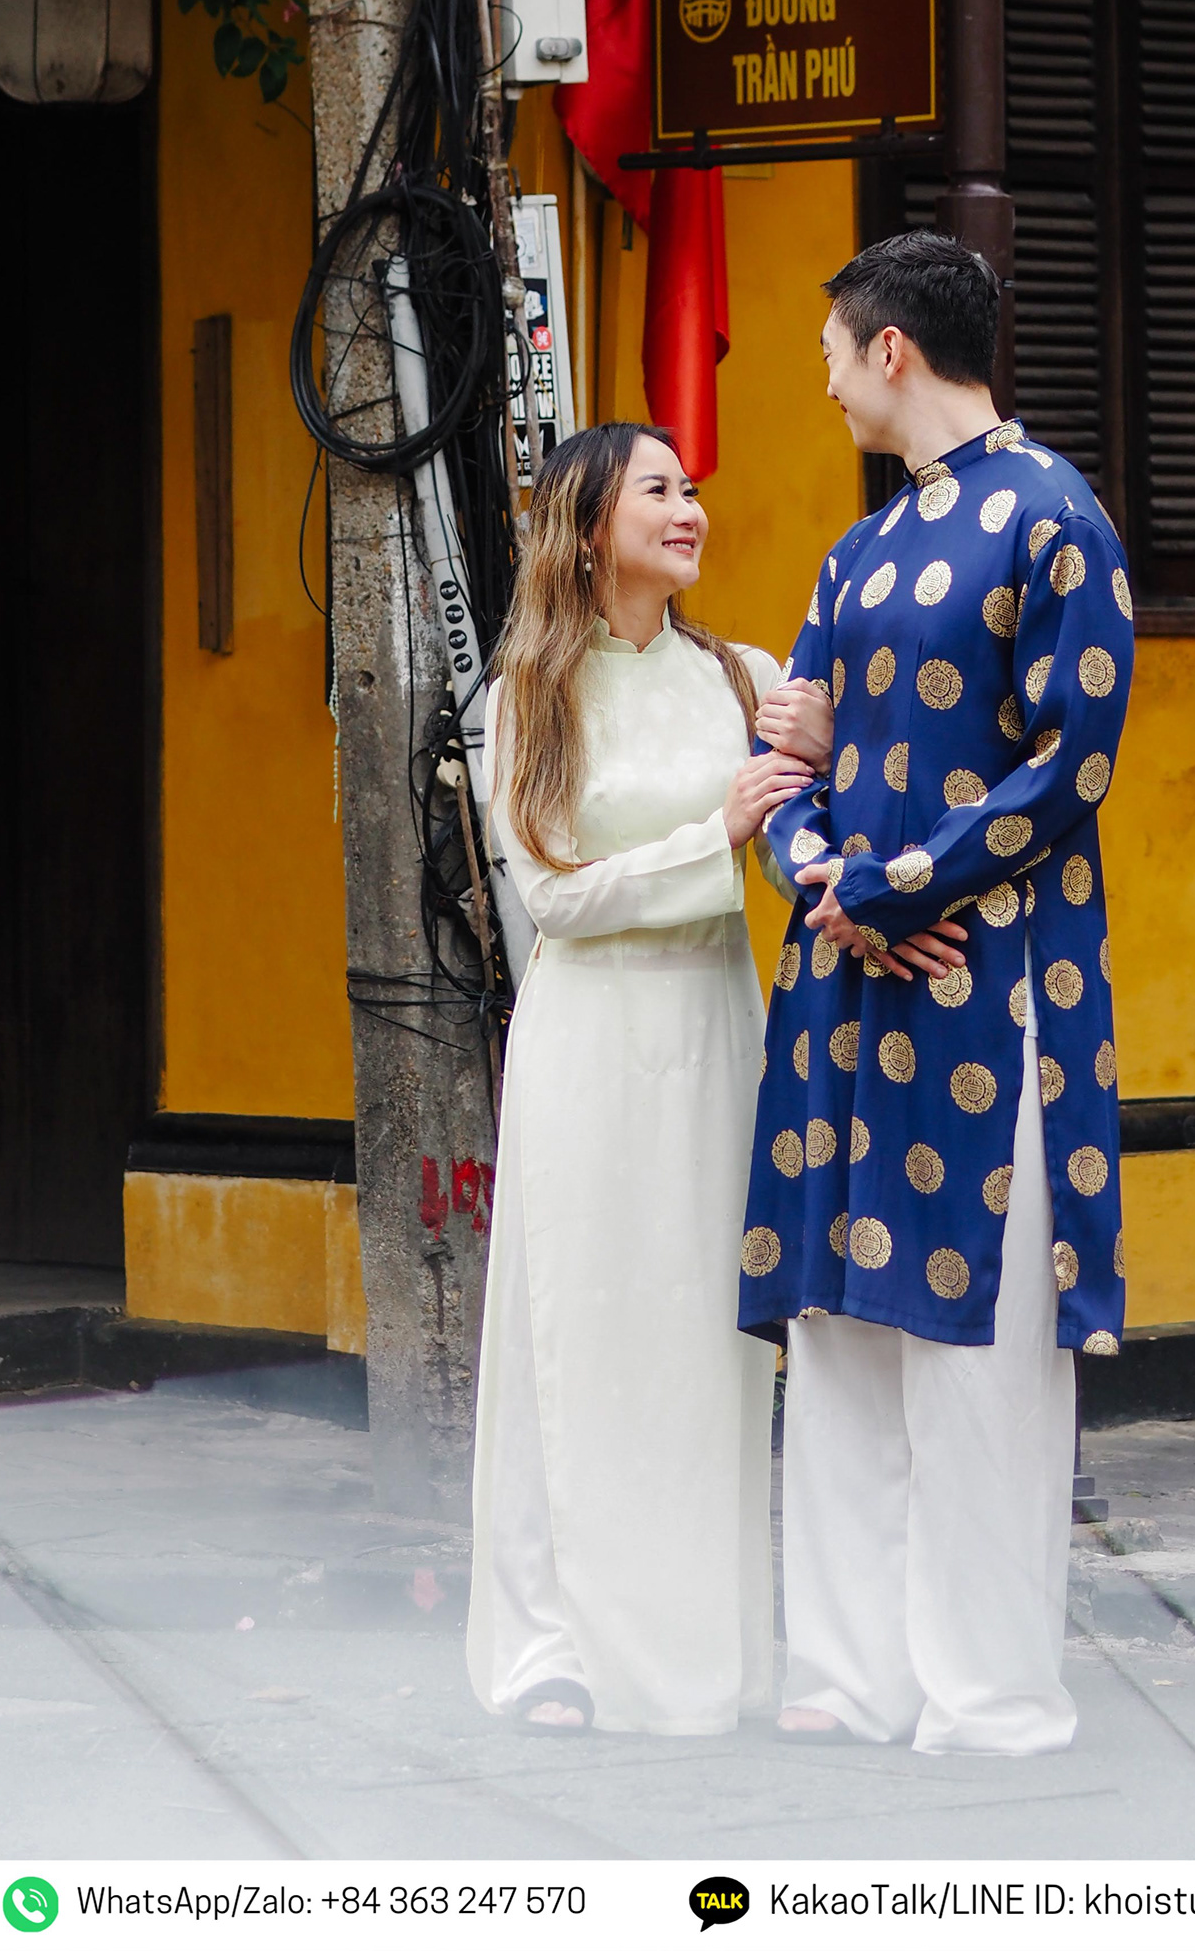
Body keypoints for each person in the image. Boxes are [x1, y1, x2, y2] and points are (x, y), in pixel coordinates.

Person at [748, 230, 1134, 1756]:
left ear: (891, 349)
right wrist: (821, 877)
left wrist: (893, 887)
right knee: (840, 1334)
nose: (829, 384)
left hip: (993, 991)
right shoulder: (855, 554)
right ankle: (848, 1680)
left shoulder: (1057, 520)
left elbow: (1074, 767)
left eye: (837, 353)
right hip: (849, 986)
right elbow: (788, 759)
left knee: (977, 1361)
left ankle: (988, 1697)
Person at [466, 421, 813, 1737]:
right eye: (658, 489)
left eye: (692, 488)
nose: (690, 507)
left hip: (720, 1033)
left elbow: (800, 847)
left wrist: (825, 763)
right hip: (592, 1041)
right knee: (583, 1322)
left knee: (702, 1338)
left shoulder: (743, 678)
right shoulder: (524, 698)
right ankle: (553, 1648)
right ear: (591, 522)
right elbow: (553, 900)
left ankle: (706, 1650)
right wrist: (709, 833)